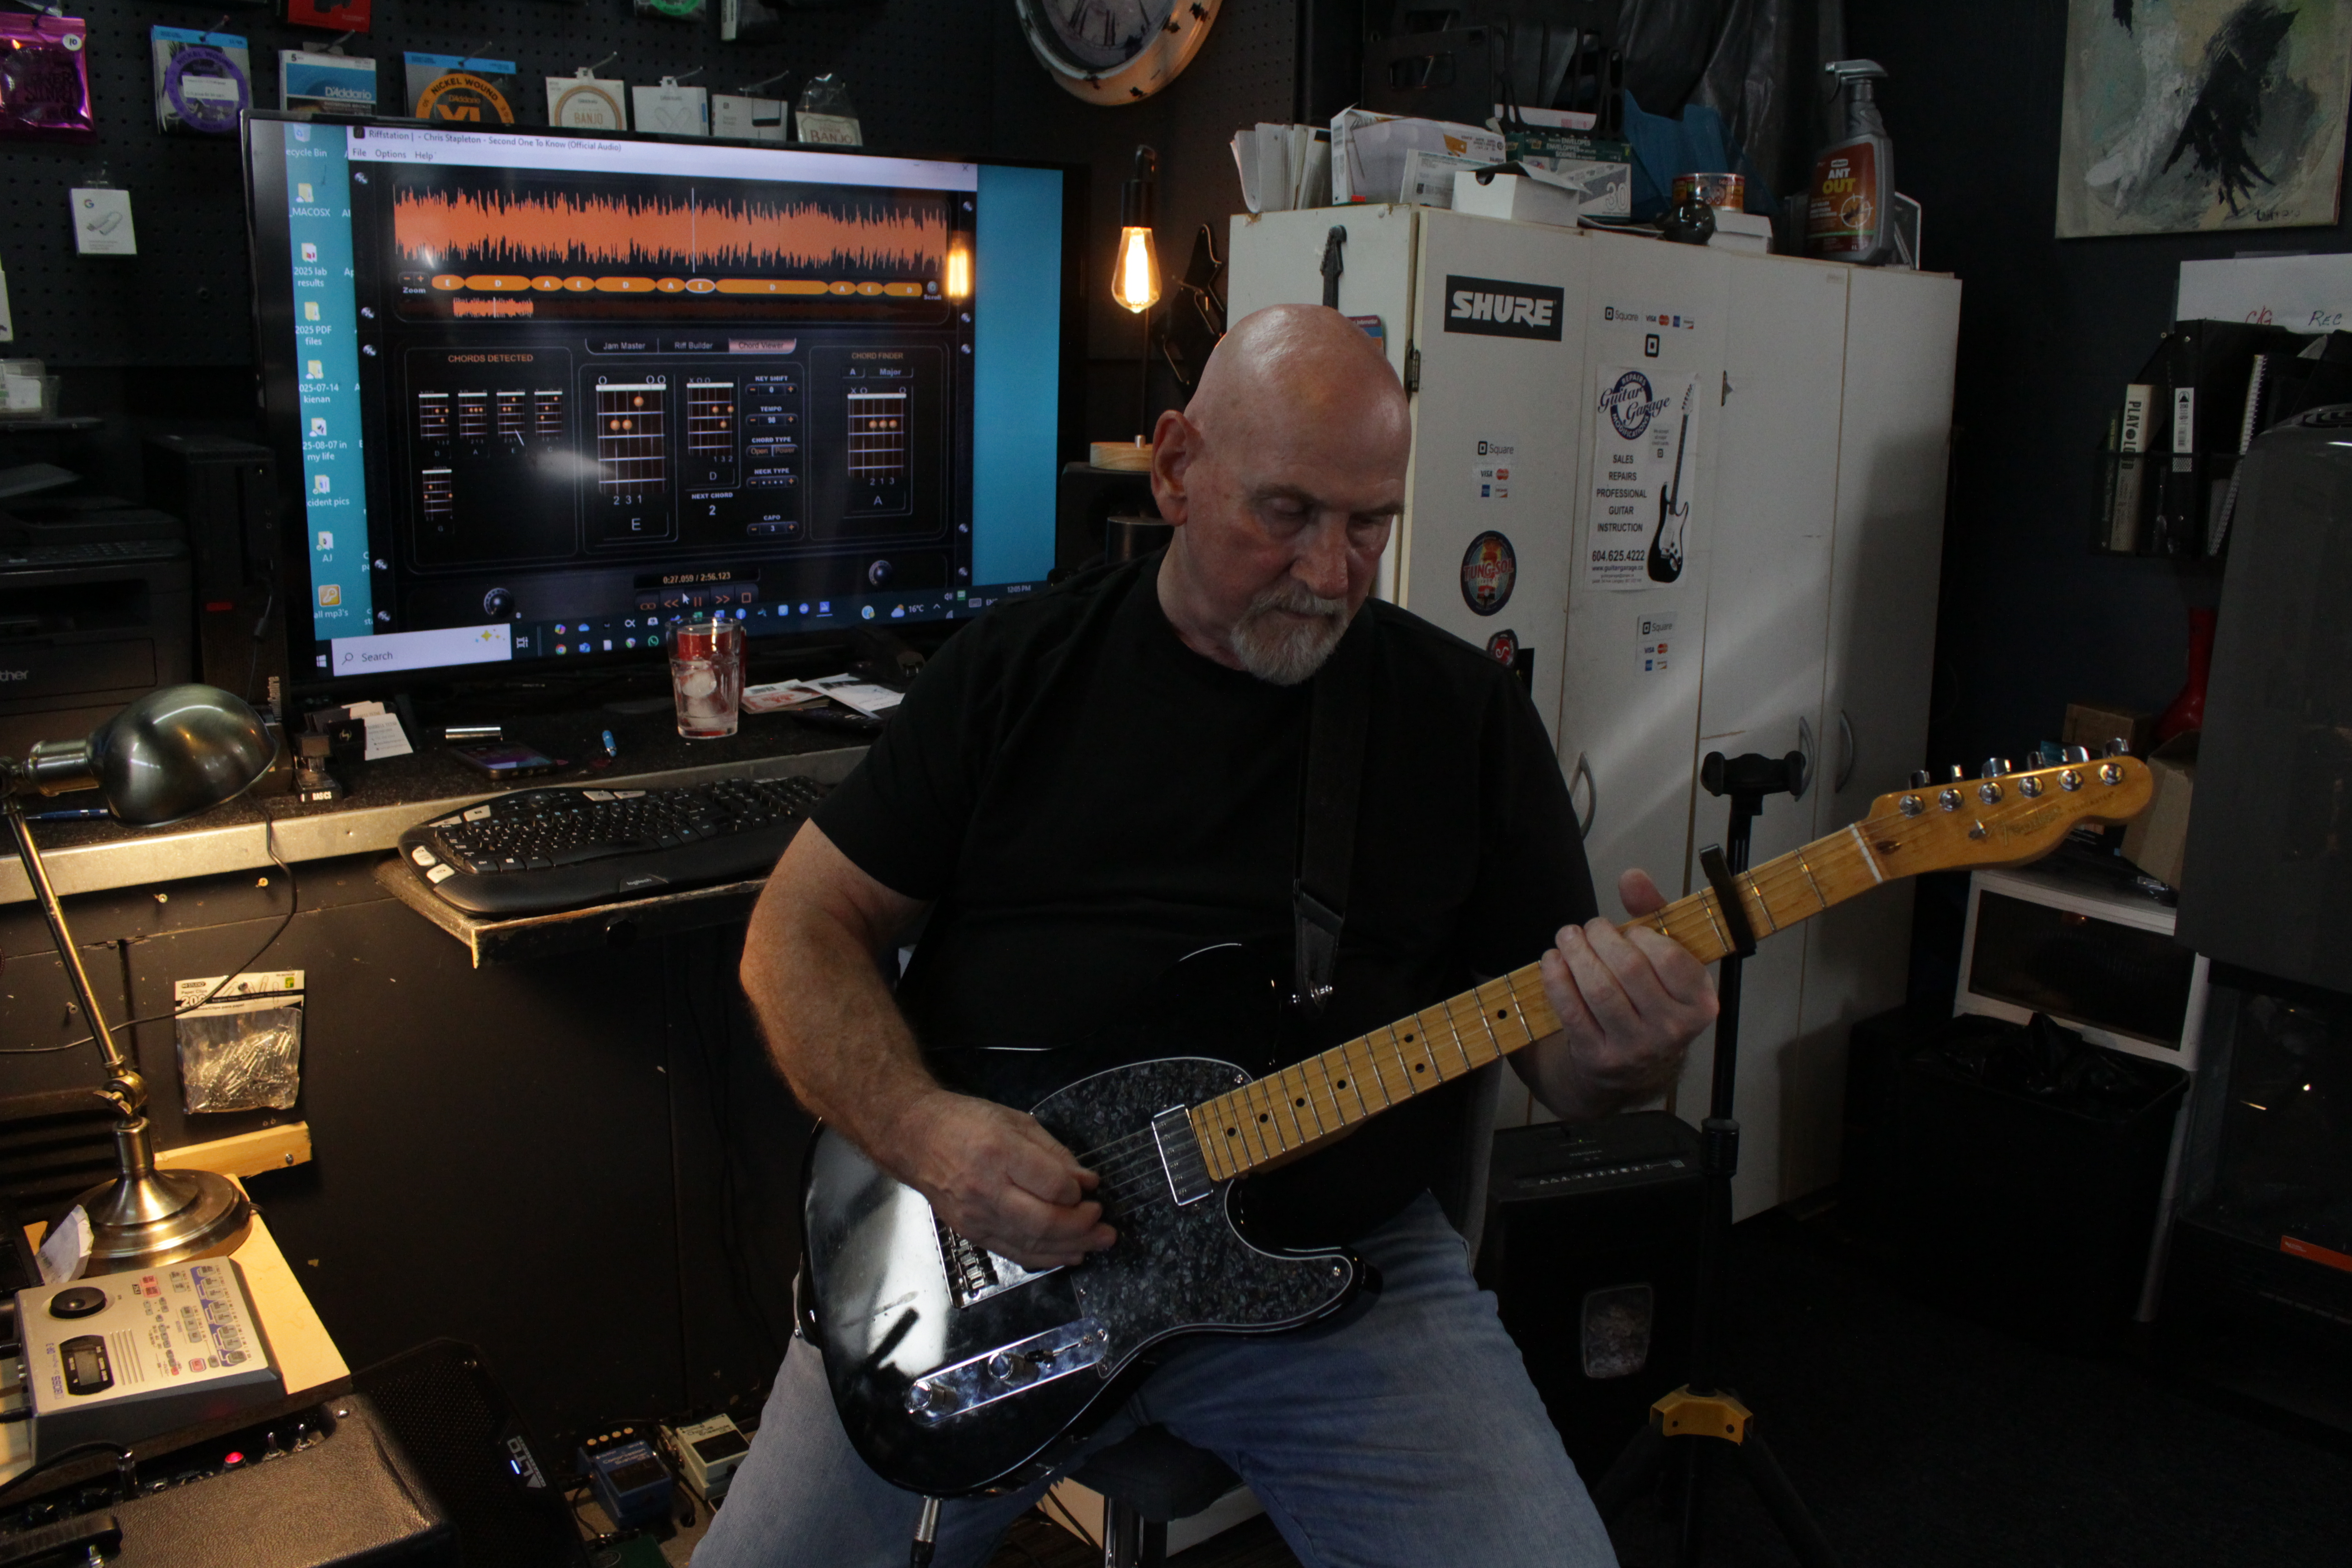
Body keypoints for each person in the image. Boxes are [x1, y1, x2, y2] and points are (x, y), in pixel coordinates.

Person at [695, 304, 1717, 1568]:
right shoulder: (1015, 667)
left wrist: (1627, 1052)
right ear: (1177, 468)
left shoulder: (1462, 721)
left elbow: (1568, 1069)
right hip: (970, 1251)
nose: (1334, 571)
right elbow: (798, 927)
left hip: (1333, 1266)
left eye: (1370, 524)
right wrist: (926, 1135)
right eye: (1287, 513)